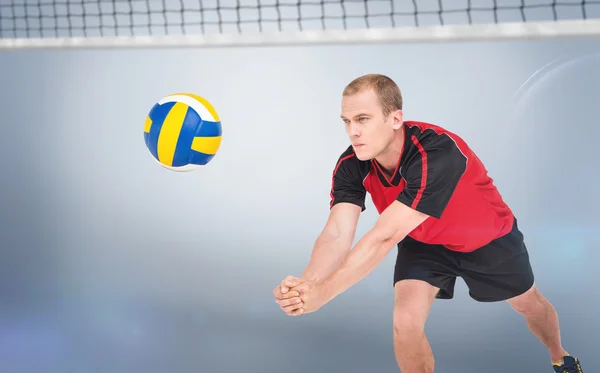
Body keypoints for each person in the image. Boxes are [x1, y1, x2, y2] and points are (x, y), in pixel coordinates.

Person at [272, 73, 584, 373]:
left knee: (528, 305)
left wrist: (322, 295)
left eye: (363, 119)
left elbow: (384, 237)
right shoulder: (352, 163)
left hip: (488, 238)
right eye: (347, 121)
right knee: (405, 323)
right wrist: (306, 286)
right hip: (423, 242)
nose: (353, 131)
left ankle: (561, 357)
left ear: (395, 119)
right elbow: (338, 231)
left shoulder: (436, 151)